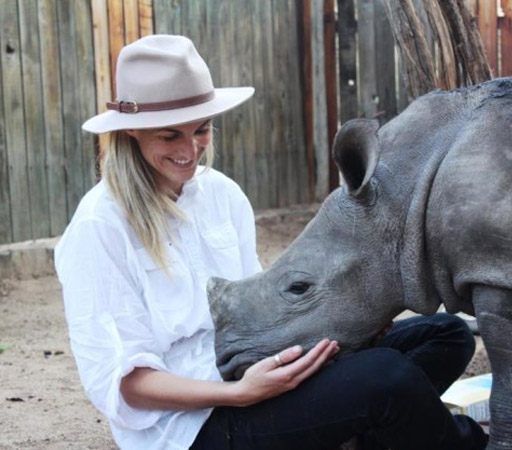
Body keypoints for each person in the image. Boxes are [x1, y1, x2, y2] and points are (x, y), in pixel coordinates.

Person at [55, 35, 488, 450]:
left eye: (202, 130)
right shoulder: (99, 226)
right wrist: (241, 393)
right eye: (170, 136)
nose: (191, 150)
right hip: (196, 424)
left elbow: (259, 309)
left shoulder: (221, 194)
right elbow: (126, 384)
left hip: (257, 368)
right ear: (132, 132)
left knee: (446, 335)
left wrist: (344, 331)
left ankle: (361, 437)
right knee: (387, 376)